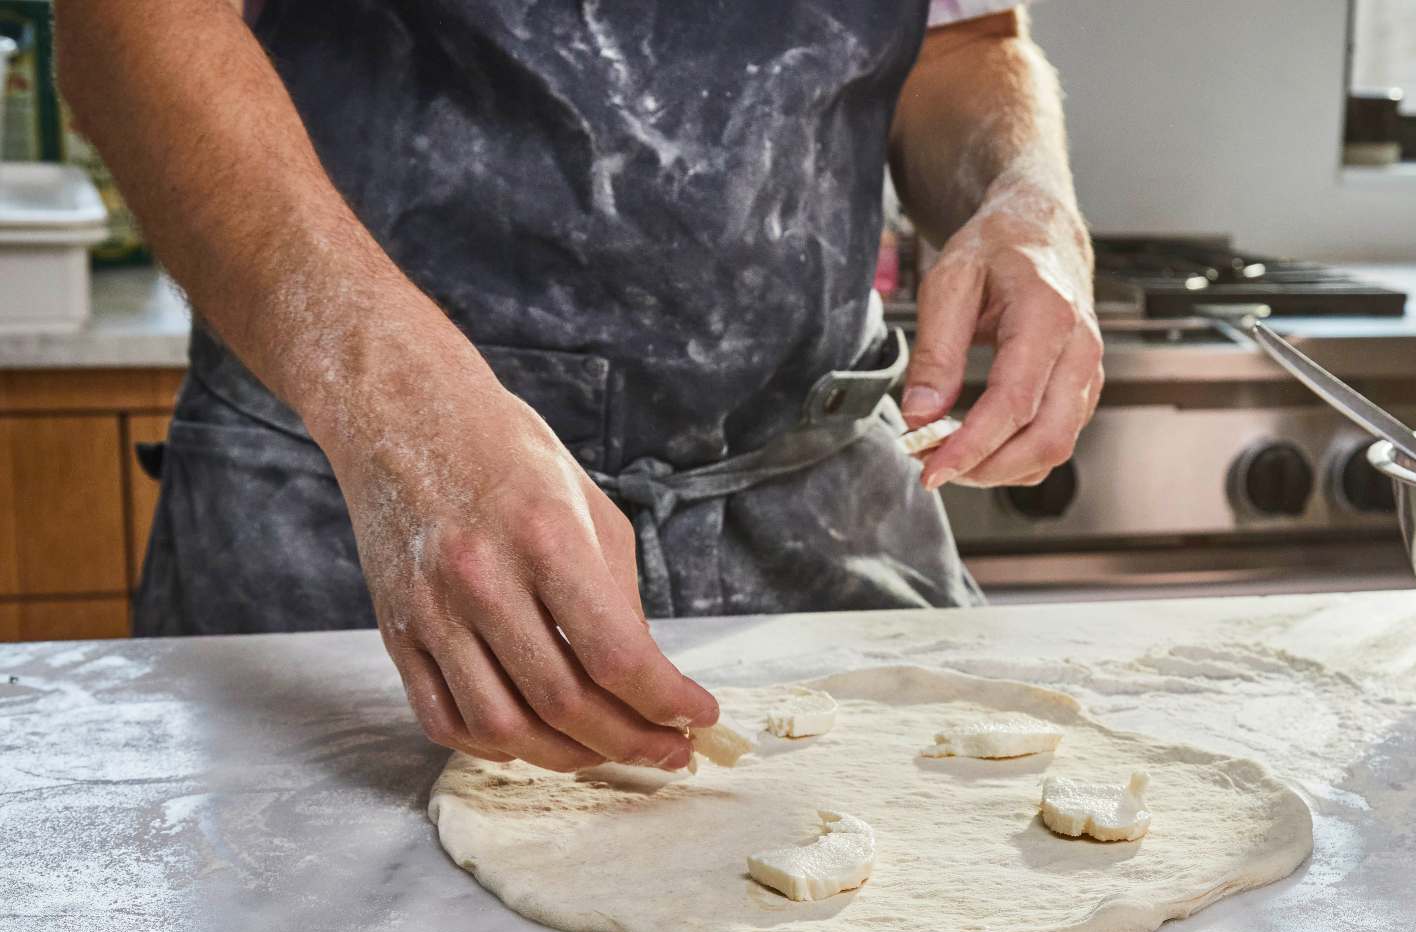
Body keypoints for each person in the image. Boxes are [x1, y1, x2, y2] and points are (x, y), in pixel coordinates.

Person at [57, 0, 1103, 773]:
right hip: (354, 505)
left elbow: (962, 46)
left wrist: (1029, 191)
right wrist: (391, 405)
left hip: (815, 506)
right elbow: (132, 27)